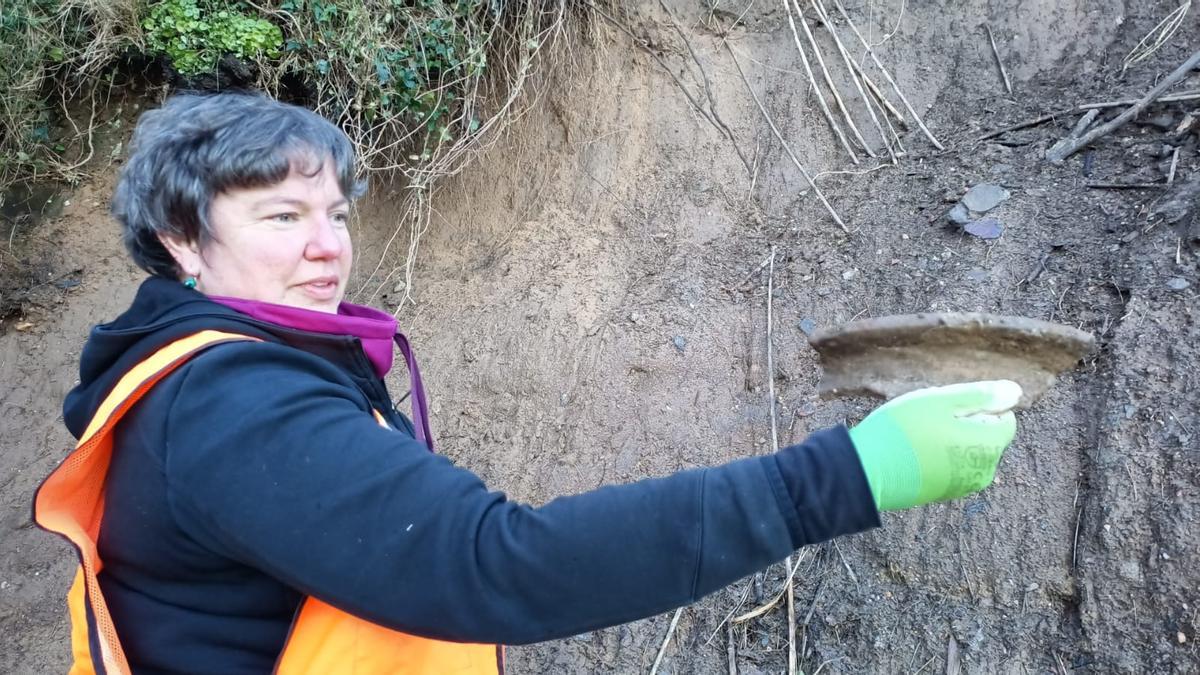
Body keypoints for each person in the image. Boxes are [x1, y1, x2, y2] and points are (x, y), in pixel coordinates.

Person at [34, 92, 1021, 675]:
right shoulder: (234, 405)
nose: (328, 248)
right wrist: (846, 476)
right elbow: (492, 563)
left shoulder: (232, 370)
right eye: (282, 219)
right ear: (179, 241)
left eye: (334, 212)